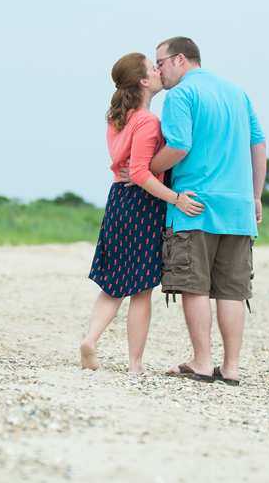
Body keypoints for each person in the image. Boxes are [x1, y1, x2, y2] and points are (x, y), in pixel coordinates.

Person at [149, 37, 266, 385]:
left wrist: (148, 168)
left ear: (180, 59)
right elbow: (257, 143)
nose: (158, 71)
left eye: (160, 63)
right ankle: (230, 369)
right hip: (239, 208)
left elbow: (180, 145)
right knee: (232, 289)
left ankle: (202, 361)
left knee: (193, 285)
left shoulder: (181, 94)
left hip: (194, 205)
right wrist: (256, 196)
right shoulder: (236, 91)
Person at [83, 52, 204, 374]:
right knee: (140, 289)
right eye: (154, 68)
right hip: (143, 205)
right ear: (143, 81)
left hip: (117, 202)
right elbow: (139, 172)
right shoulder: (148, 121)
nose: (159, 71)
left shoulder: (117, 119)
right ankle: (134, 364)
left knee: (112, 284)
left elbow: (127, 168)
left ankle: (91, 340)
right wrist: (176, 198)